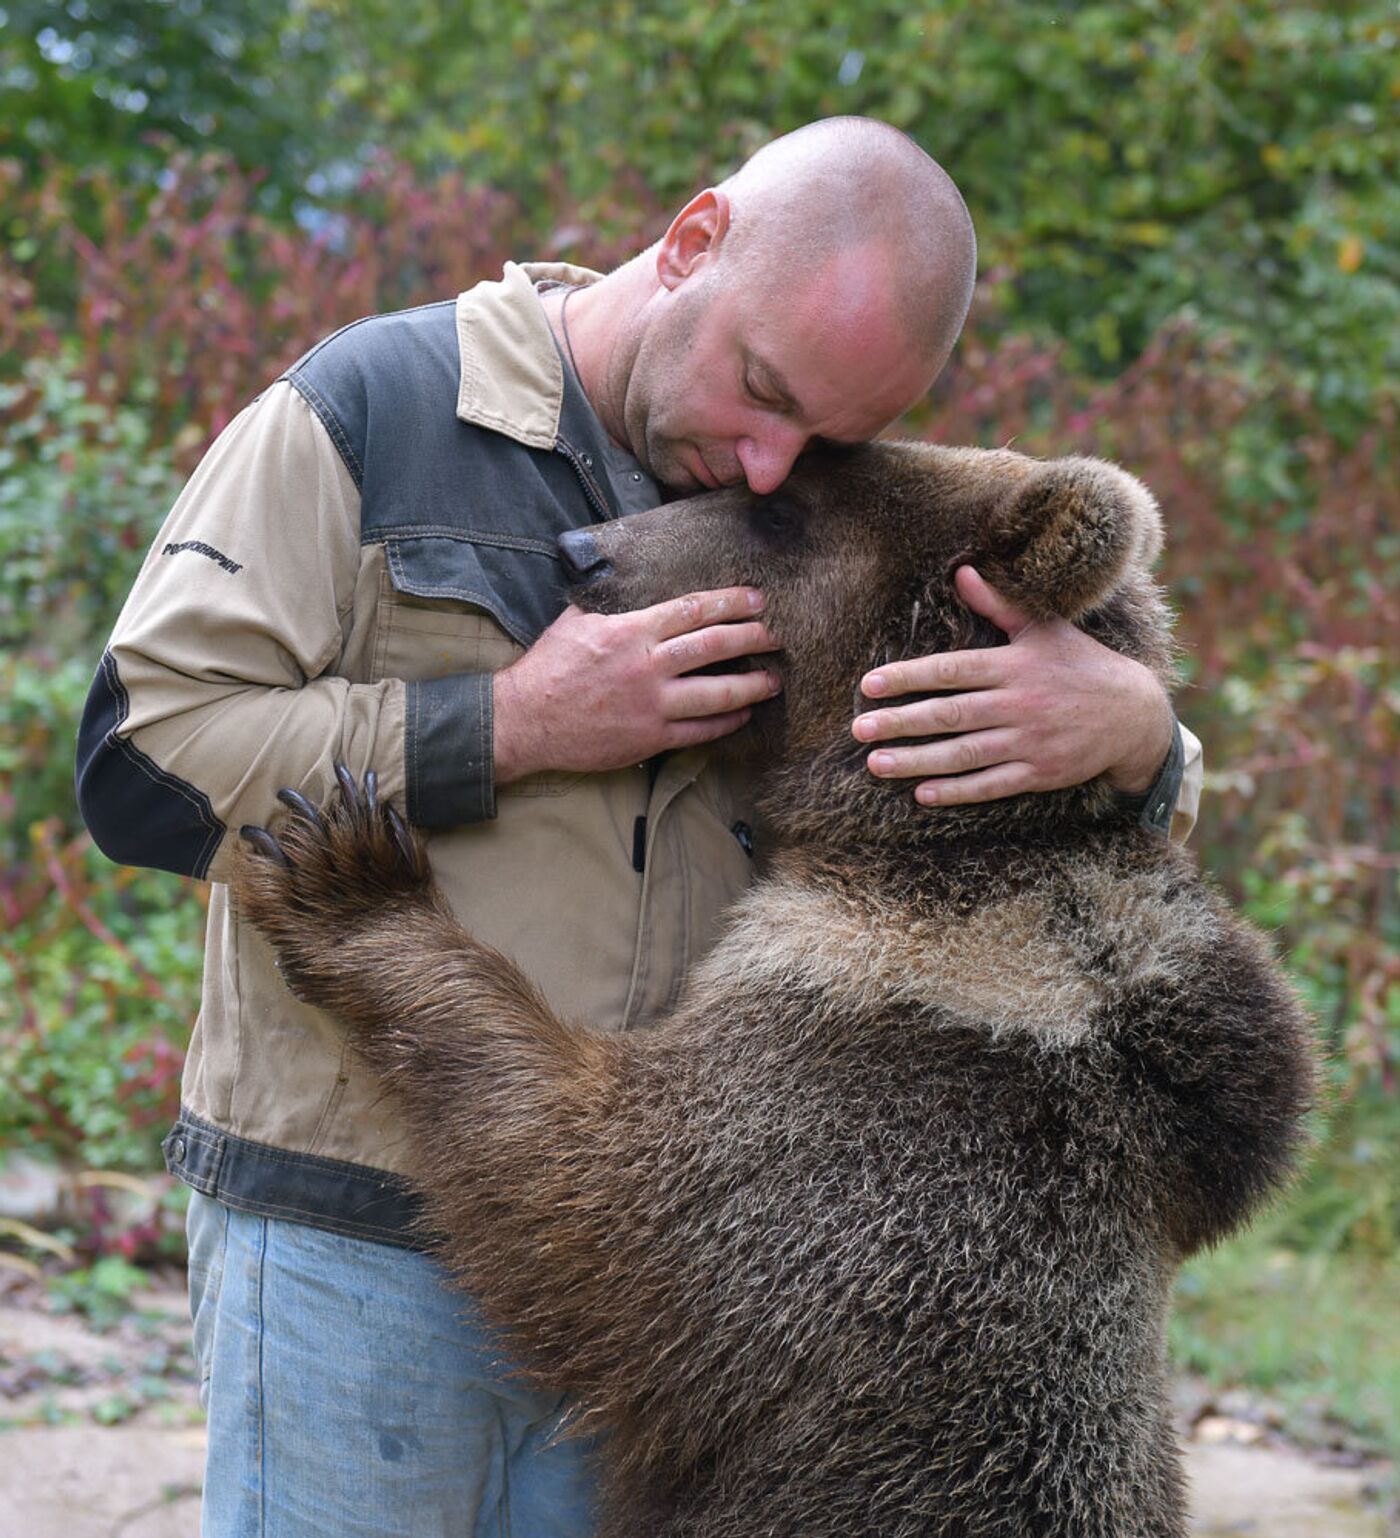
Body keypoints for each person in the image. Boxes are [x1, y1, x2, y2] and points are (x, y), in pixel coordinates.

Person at [75, 118, 1200, 1538]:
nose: (772, 461)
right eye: (761, 389)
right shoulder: (374, 411)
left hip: (676, 1273)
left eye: (828, 438)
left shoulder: (791, 498)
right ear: (690, 242)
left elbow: (1023, 849)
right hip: (362, 1239)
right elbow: (139, 760)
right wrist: (508, 726)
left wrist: (1147, 739)